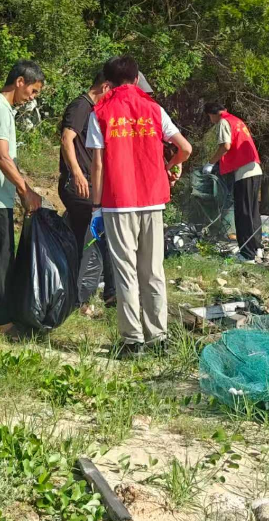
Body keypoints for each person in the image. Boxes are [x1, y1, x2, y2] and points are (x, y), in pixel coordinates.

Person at [87, 56, 192, 358]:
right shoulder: (154, 109)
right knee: (153, 270)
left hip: (118, 202)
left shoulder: (101, 111)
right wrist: (169, 166)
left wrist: (96, 207)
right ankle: (158, 337)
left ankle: (132, 342)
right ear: (136, 79)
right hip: (152, 200)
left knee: (126, 272)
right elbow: (185, 148)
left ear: (107, 83)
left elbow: (97, 164)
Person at [0, 60, 45, 339]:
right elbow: (2, 157)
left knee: (5, 258)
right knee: (0, 260)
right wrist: (25, 190)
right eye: (33, 91)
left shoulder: (2, 109)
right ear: (20, 82)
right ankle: (3, 323)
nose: (32, 97)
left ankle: (9, 314)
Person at [59, 71, 115, 306]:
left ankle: (103, 292)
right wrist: (77, 172)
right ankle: (85, 296)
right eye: (112, 92)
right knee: (95, 237)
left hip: (88, 183)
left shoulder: (93, 110)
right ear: (104, 86)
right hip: (79, 185)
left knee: (92, 236)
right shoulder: (81, 105)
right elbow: (66, 138)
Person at [202, 103, 263, 263]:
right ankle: (257, 249)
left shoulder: (224, 121)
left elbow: (225, 146)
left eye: (209, 117)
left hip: (244, 172)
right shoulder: (237, 120)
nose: (211, 121)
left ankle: (247, 254)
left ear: (212, 114)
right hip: (255, 169)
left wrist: (210, 163)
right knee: (253, 212)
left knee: (243, 213)